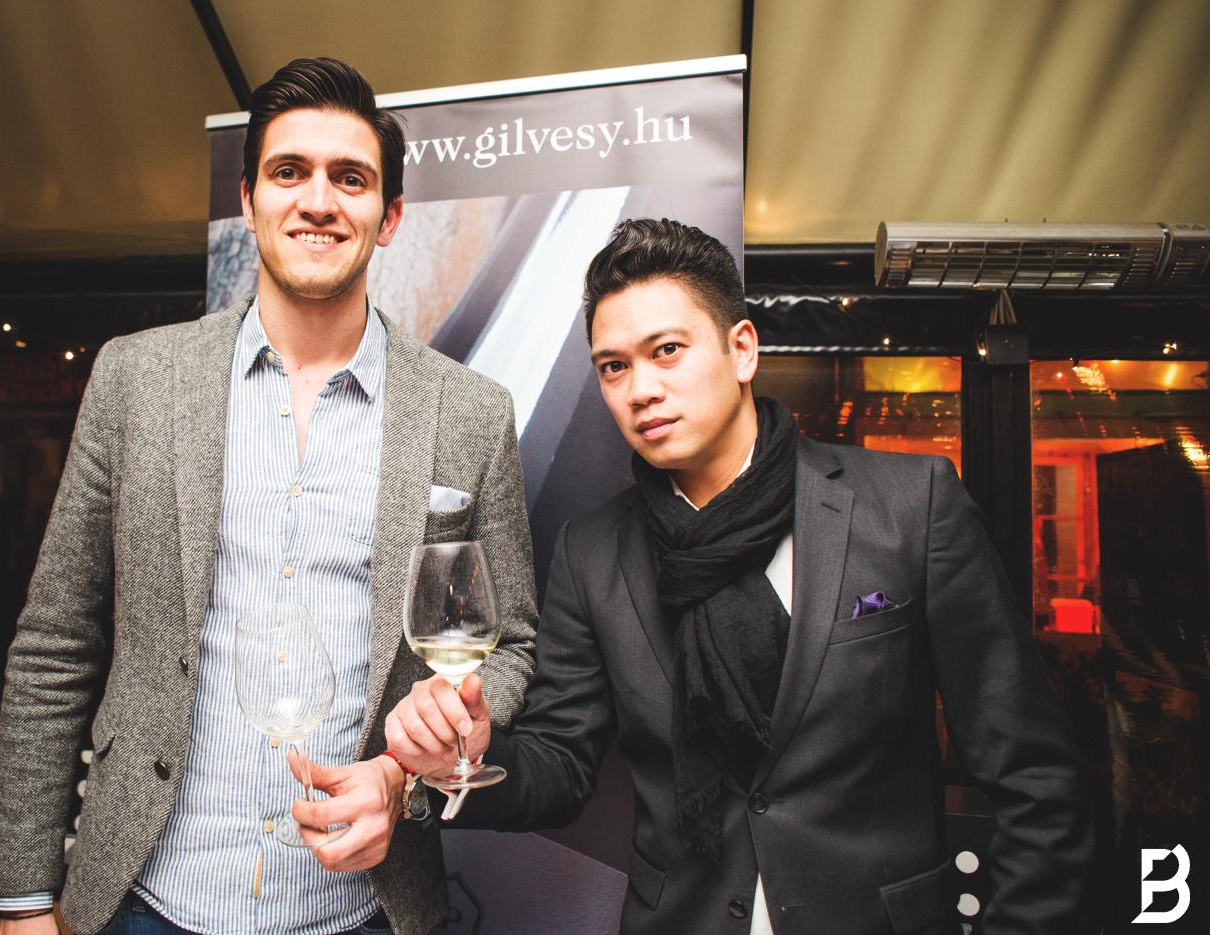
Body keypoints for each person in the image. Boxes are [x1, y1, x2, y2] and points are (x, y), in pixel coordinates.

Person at [386, 218, 1093, 934]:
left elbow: (1035, 775)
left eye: (667, 350)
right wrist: (462, 756)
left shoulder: (910, 506)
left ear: (743, 349)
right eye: (614, 367)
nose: (641, 389)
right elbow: (560, 767)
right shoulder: (593, 552)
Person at [0, 58, 537, 935]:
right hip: (143, 899)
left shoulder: (471, 412)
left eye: (350, 178)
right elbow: (56, 643)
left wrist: (406, 773)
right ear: (248, 201)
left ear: (390, 215)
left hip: (361, 908)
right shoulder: (137, 379)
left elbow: (508, 647)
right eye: (289, 172)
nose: (319, 201)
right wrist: (21, 899)